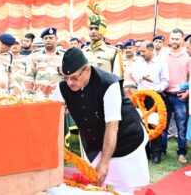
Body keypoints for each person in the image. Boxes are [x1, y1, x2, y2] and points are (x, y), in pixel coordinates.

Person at [53, 47, 149, 193]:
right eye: (66, 78)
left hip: (125, 138)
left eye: (74, 78)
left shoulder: (108, 84)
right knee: (93, 184)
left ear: (87, 70)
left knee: (123, 187)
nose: (69, 83)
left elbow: (112, 126)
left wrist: (104, 162)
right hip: (93, 141)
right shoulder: (63, 87)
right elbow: (51, 115)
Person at [132, 41, 169, 164]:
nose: (141, 53)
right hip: (140, 99)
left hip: (155, 98)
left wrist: (155, 89)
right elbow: (134, 76)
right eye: (140, 51)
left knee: (154, 125)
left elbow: (165, 81)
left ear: (151, 50)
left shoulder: (161, 63)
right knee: (142, 125)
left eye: (144, 51)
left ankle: (156, 154)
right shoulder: (138, 62)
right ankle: (145, 152)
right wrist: (142, 77)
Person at [162, 28, 190, 164]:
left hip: (181, 97)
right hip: (164, 95)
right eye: (172, 38)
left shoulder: (187, 56)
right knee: (163, 125)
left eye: (176, 39)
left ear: (182, 39)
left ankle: (182, 152)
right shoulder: (163, 55)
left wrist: (188, 92)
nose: (174, 41)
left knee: (181, 126)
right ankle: (162, 150)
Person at [84, 0, 123, 78]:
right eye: (91, 29)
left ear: (103, 30)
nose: (93, 31)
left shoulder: (113, 52)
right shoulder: (83, 52)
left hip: (106, 90)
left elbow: (118, 77)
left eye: (96, 28)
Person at [25, 27, 64, 97]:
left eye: (50, 38)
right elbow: (29, 76)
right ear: (42, 40)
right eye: (45, 38)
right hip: (40, 96)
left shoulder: (64, 56)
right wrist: (29, 94)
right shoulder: (35, 56)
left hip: (60, 95)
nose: (48, 40)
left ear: (56, 39)